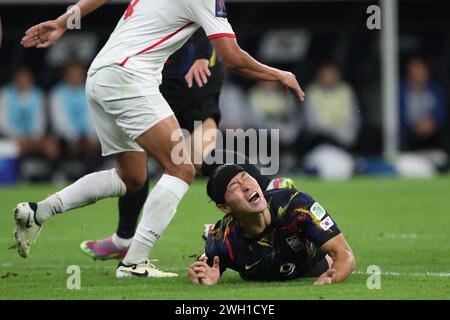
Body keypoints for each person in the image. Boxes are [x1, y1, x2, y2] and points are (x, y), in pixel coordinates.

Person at [15, 0, 305, 279]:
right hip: (129, 75)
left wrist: (64, 21)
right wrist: (279, 74)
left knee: (132, 176)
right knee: (181, 167)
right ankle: (134, 262)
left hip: (100, 76)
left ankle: (40, 211)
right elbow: (232, 58)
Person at [79, 29, 294, 260]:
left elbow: (202, 19)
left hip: (189, 76)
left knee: (171, 155)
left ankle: (267, 185)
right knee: (167, 158)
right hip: (171, 79)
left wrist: (202, 55)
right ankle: (123, 239)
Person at [187, 164, 355, 285]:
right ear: (224, 207)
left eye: (245, 178)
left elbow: (345, 255)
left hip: (311, 265)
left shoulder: (298, 206)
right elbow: (203, 273)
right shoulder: (223, 240)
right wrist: (201, 278)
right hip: (259, 272)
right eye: (234, 186)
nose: (245, 186)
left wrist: (331, 279)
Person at [301, 62, 360, 180]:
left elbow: (355, 120)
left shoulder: (346, 90)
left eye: (332, 75)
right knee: (328, 168)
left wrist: (344, 135)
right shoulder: (312, 92)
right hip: (320, 144)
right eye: (325, 75)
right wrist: (332, 132)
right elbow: (311, 125)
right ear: (319, 76)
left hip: (344, 144)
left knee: (343, 167)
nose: (329, 79)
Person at [0, 66, 60, 180]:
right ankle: (20, 177)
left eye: (25, 78)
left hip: (33, 137)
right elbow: (3, 123)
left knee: (51, 146)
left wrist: (33, 136)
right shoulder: (5, 94)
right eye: (20, 78)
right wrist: (19, 137)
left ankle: (53, 176)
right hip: (12, 137)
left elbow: (40, 121)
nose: (22, 81)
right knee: (16, 147)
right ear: (14, 79)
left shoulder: (37, 95)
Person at [49, 60, 101, 178]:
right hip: (65, 136)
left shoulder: (91, 90)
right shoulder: (57, 93)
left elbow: (95, 116)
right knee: (51, 145)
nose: (75, 77)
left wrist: (91, 136)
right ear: (66, 75)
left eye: (78, 73)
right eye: (72, 73)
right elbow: (59, 121)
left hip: (89, 136)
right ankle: (58, 173)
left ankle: (96, 173)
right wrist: (73, 138)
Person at [399, 57, 449, 171]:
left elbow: (440, 113)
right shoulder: (401, 92)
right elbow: (398, 116)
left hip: (433, 134)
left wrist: (432, 123)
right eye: (415, 71)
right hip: (410, 135)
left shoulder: (435, 90)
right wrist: (415, 126)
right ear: (409, 73)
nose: (419, 74)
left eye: (421, 71)